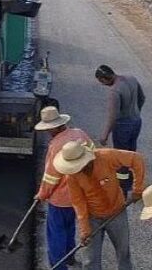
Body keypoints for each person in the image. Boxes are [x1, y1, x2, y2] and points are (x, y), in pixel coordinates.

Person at [53, 141, 145, 270]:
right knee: (90, 260)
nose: (77, 169)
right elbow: (79, 203)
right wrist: (85, 230)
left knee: (123, 252)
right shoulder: (72, 177)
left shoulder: (106, 156)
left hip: (117, 212)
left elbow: (137, 159)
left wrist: (137, 190)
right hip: (92, 217)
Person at [33, 107, 94, 270]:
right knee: (70, 227)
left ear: (54, 127)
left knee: (56, 233)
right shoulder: (79, 134)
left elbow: (51, 176)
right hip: (79, 196)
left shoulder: (56, 145)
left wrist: (42, 194)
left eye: (48, 129)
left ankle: (58, 266)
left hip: (60, 199)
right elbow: (94, 154)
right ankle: (70, 258)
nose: (47, 132)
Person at [95, 64, 145, 195]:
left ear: (104, 79)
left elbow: (113, 116)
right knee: (131, 152)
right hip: (136, 122)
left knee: (121, 157)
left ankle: (123, 186)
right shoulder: (131, 79)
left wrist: (104, 136)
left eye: (101, 82)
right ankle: (132, 179)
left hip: (123, 126)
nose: (103, 85)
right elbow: (142, 98)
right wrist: (136, 112)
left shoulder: (114, 91)